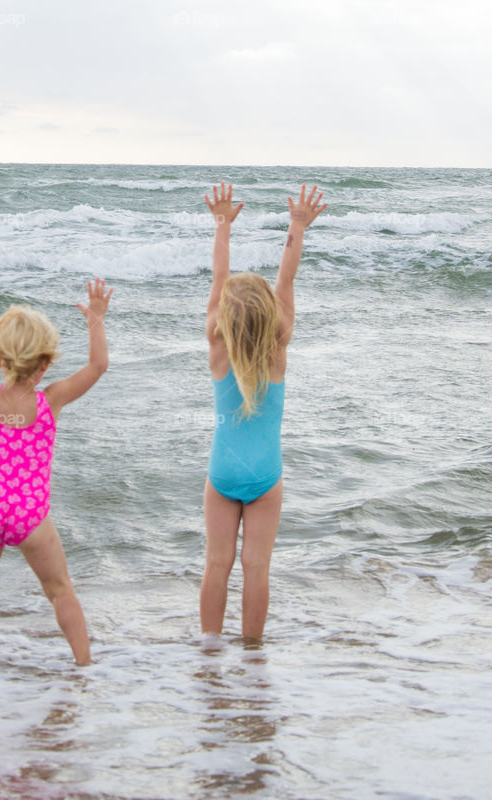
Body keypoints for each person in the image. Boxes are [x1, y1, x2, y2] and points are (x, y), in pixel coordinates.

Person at [0, 260, 112, 666]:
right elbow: (98, 366)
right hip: (31, 517)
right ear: (46, 363)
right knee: (60, 590)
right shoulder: (50, 401)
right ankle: (84, 667)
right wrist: (95, 319)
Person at [200, 181, 325, 641]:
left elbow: (218, 282)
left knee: (216, 566)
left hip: (221, 475)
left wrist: (222, 224)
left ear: (224, 321)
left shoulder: (218, 350)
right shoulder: (277, 348)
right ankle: (252, 654)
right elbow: (286, 280)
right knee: (256, 569)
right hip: (266, 477)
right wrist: (297, 225)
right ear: (271, 316)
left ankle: (209, 651)